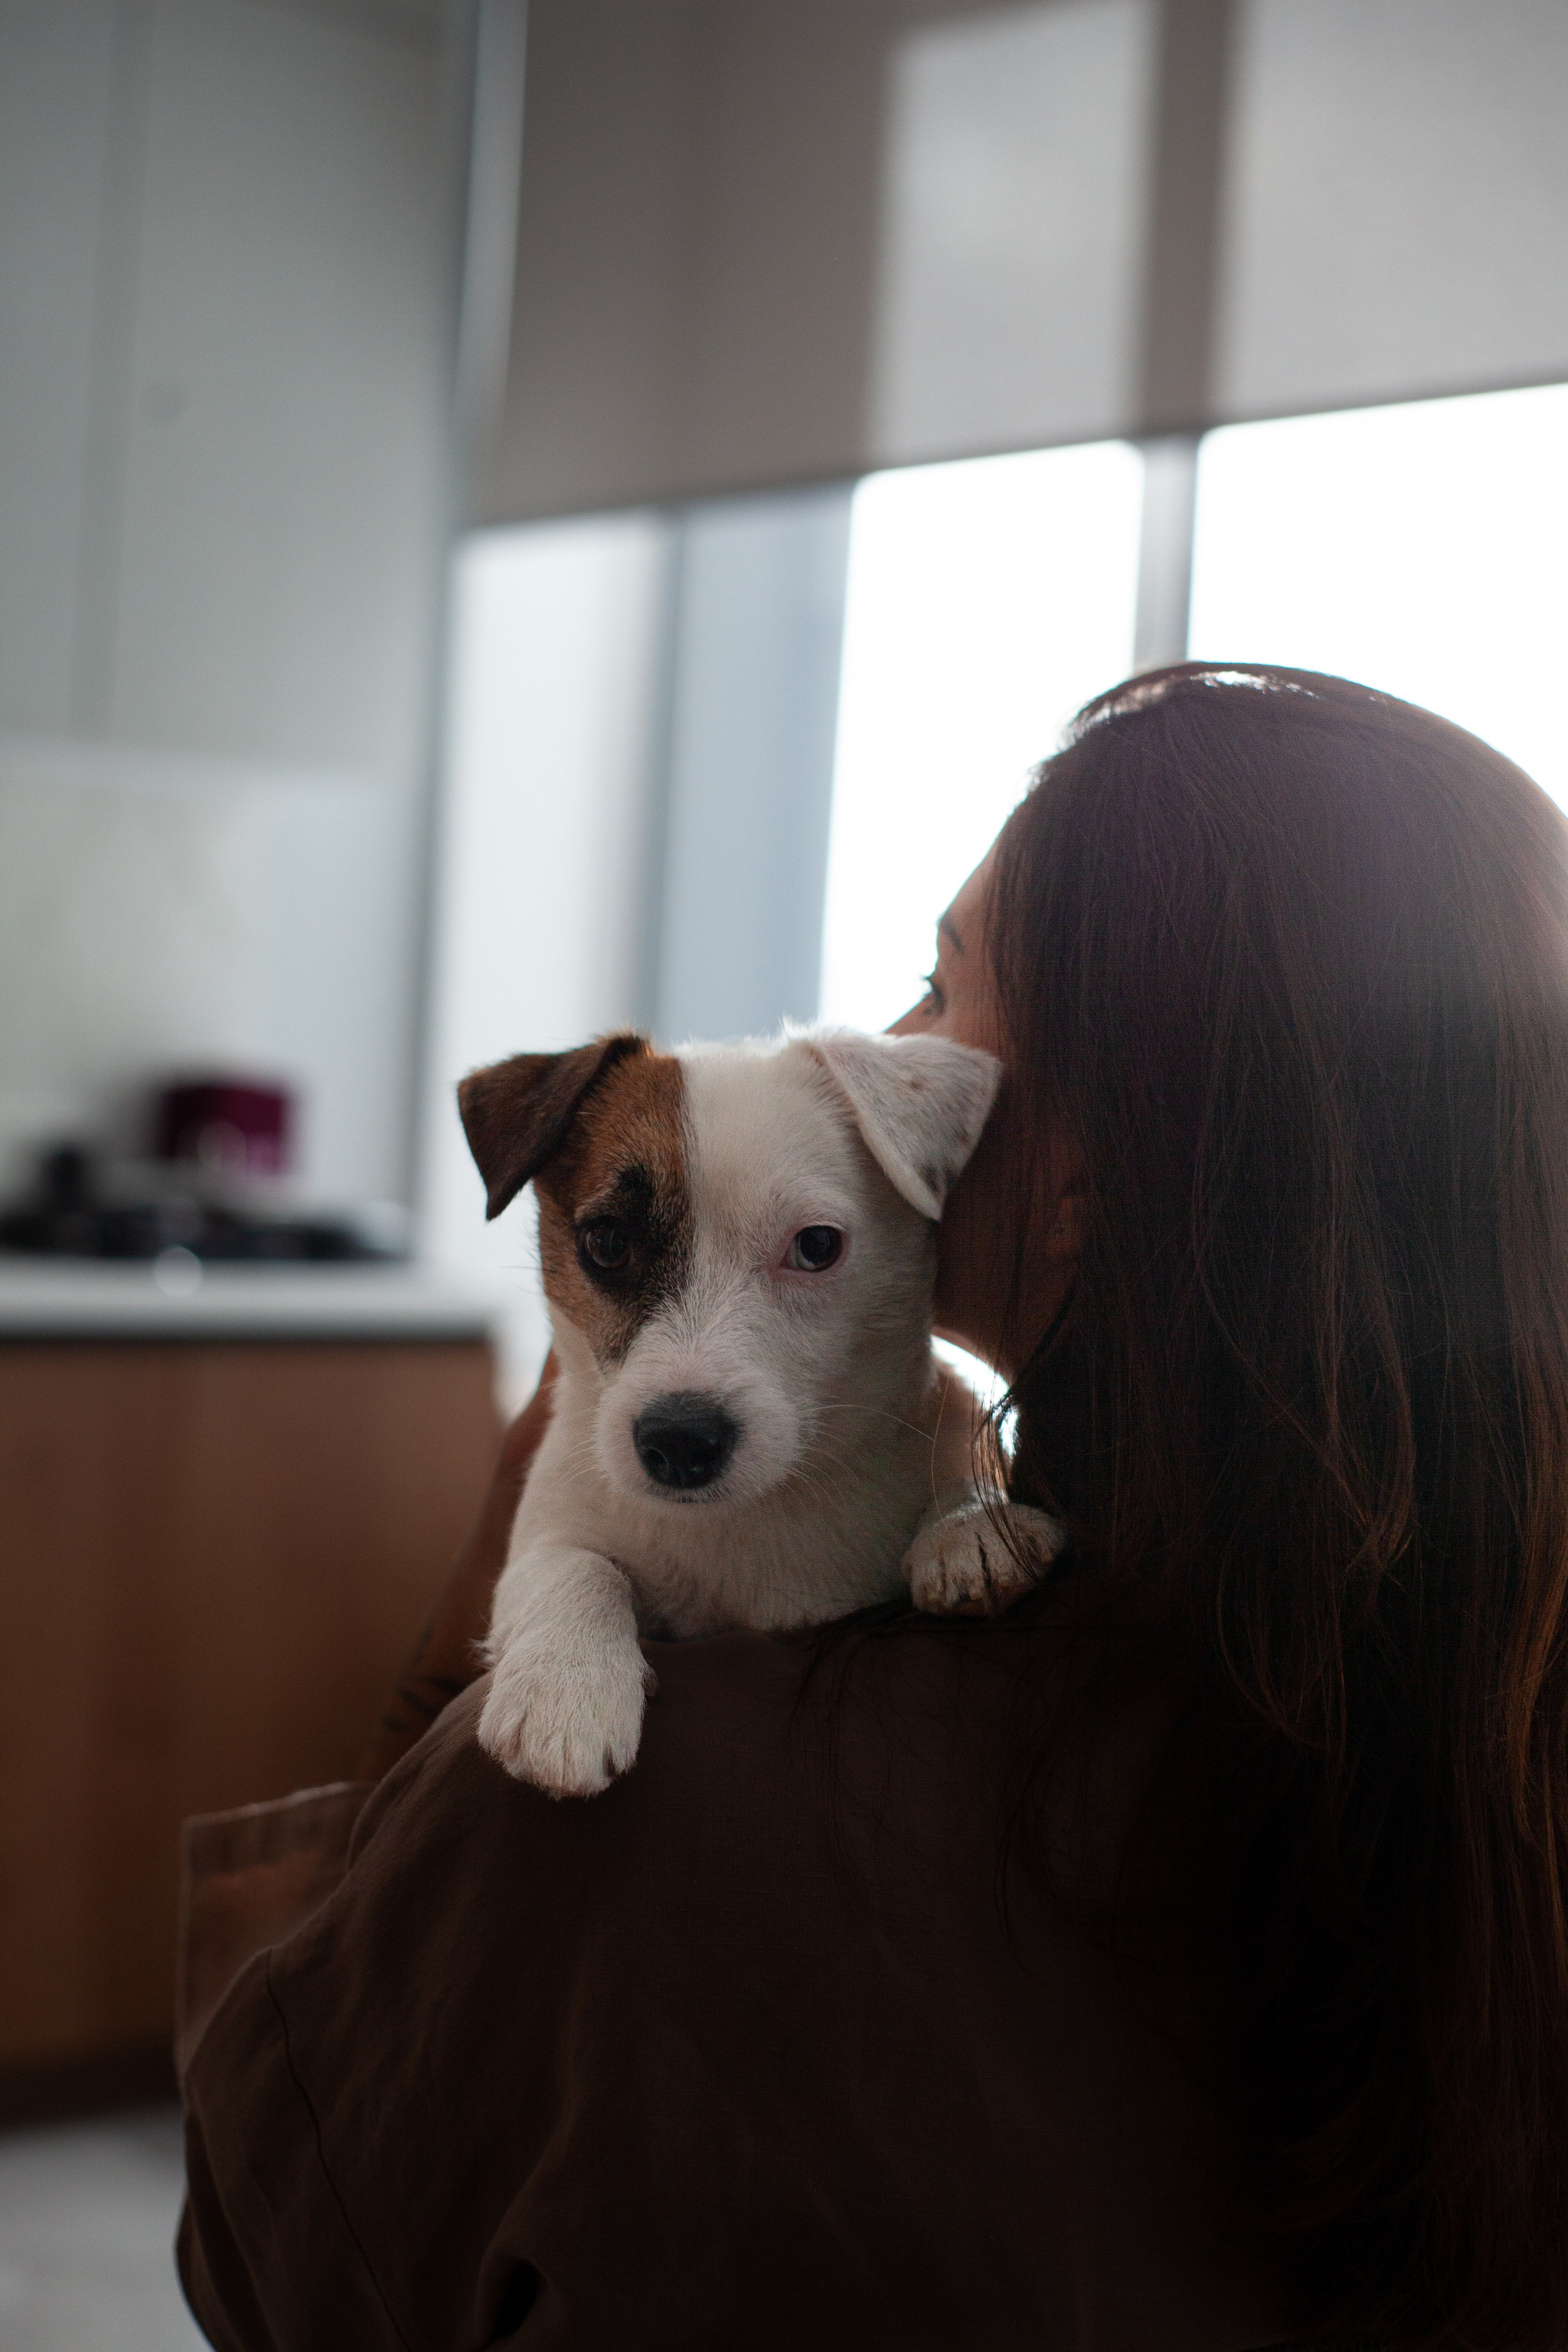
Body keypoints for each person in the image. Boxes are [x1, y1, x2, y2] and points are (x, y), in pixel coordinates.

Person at [176, 663, 1568, 2351]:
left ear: (1082, 1171)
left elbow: (286, 2245)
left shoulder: (657, 1826)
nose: (886, 1047)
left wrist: (447, 1698)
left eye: (939, 983)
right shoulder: (1476, 1776)